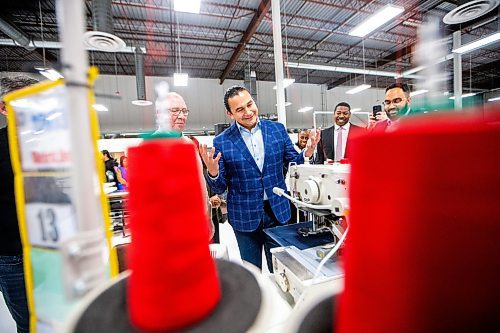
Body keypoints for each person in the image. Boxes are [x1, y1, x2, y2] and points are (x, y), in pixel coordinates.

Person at [199, 85, 320, 271]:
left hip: (277, 212)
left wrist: (307, 152)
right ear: (230, 114)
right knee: (252, 270)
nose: (248, 112)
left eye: (250, 104)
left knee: (281, 270)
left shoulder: (277, 130)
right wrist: (213, 172)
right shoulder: (222, 141)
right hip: (244, 218)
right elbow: (220, 186)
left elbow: (293, 164)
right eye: (239, 109)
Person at [0, 75, 39, 333]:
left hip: (50, 249)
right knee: (28, 322)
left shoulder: (45, 143)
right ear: (4, 107)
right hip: (12, 253)